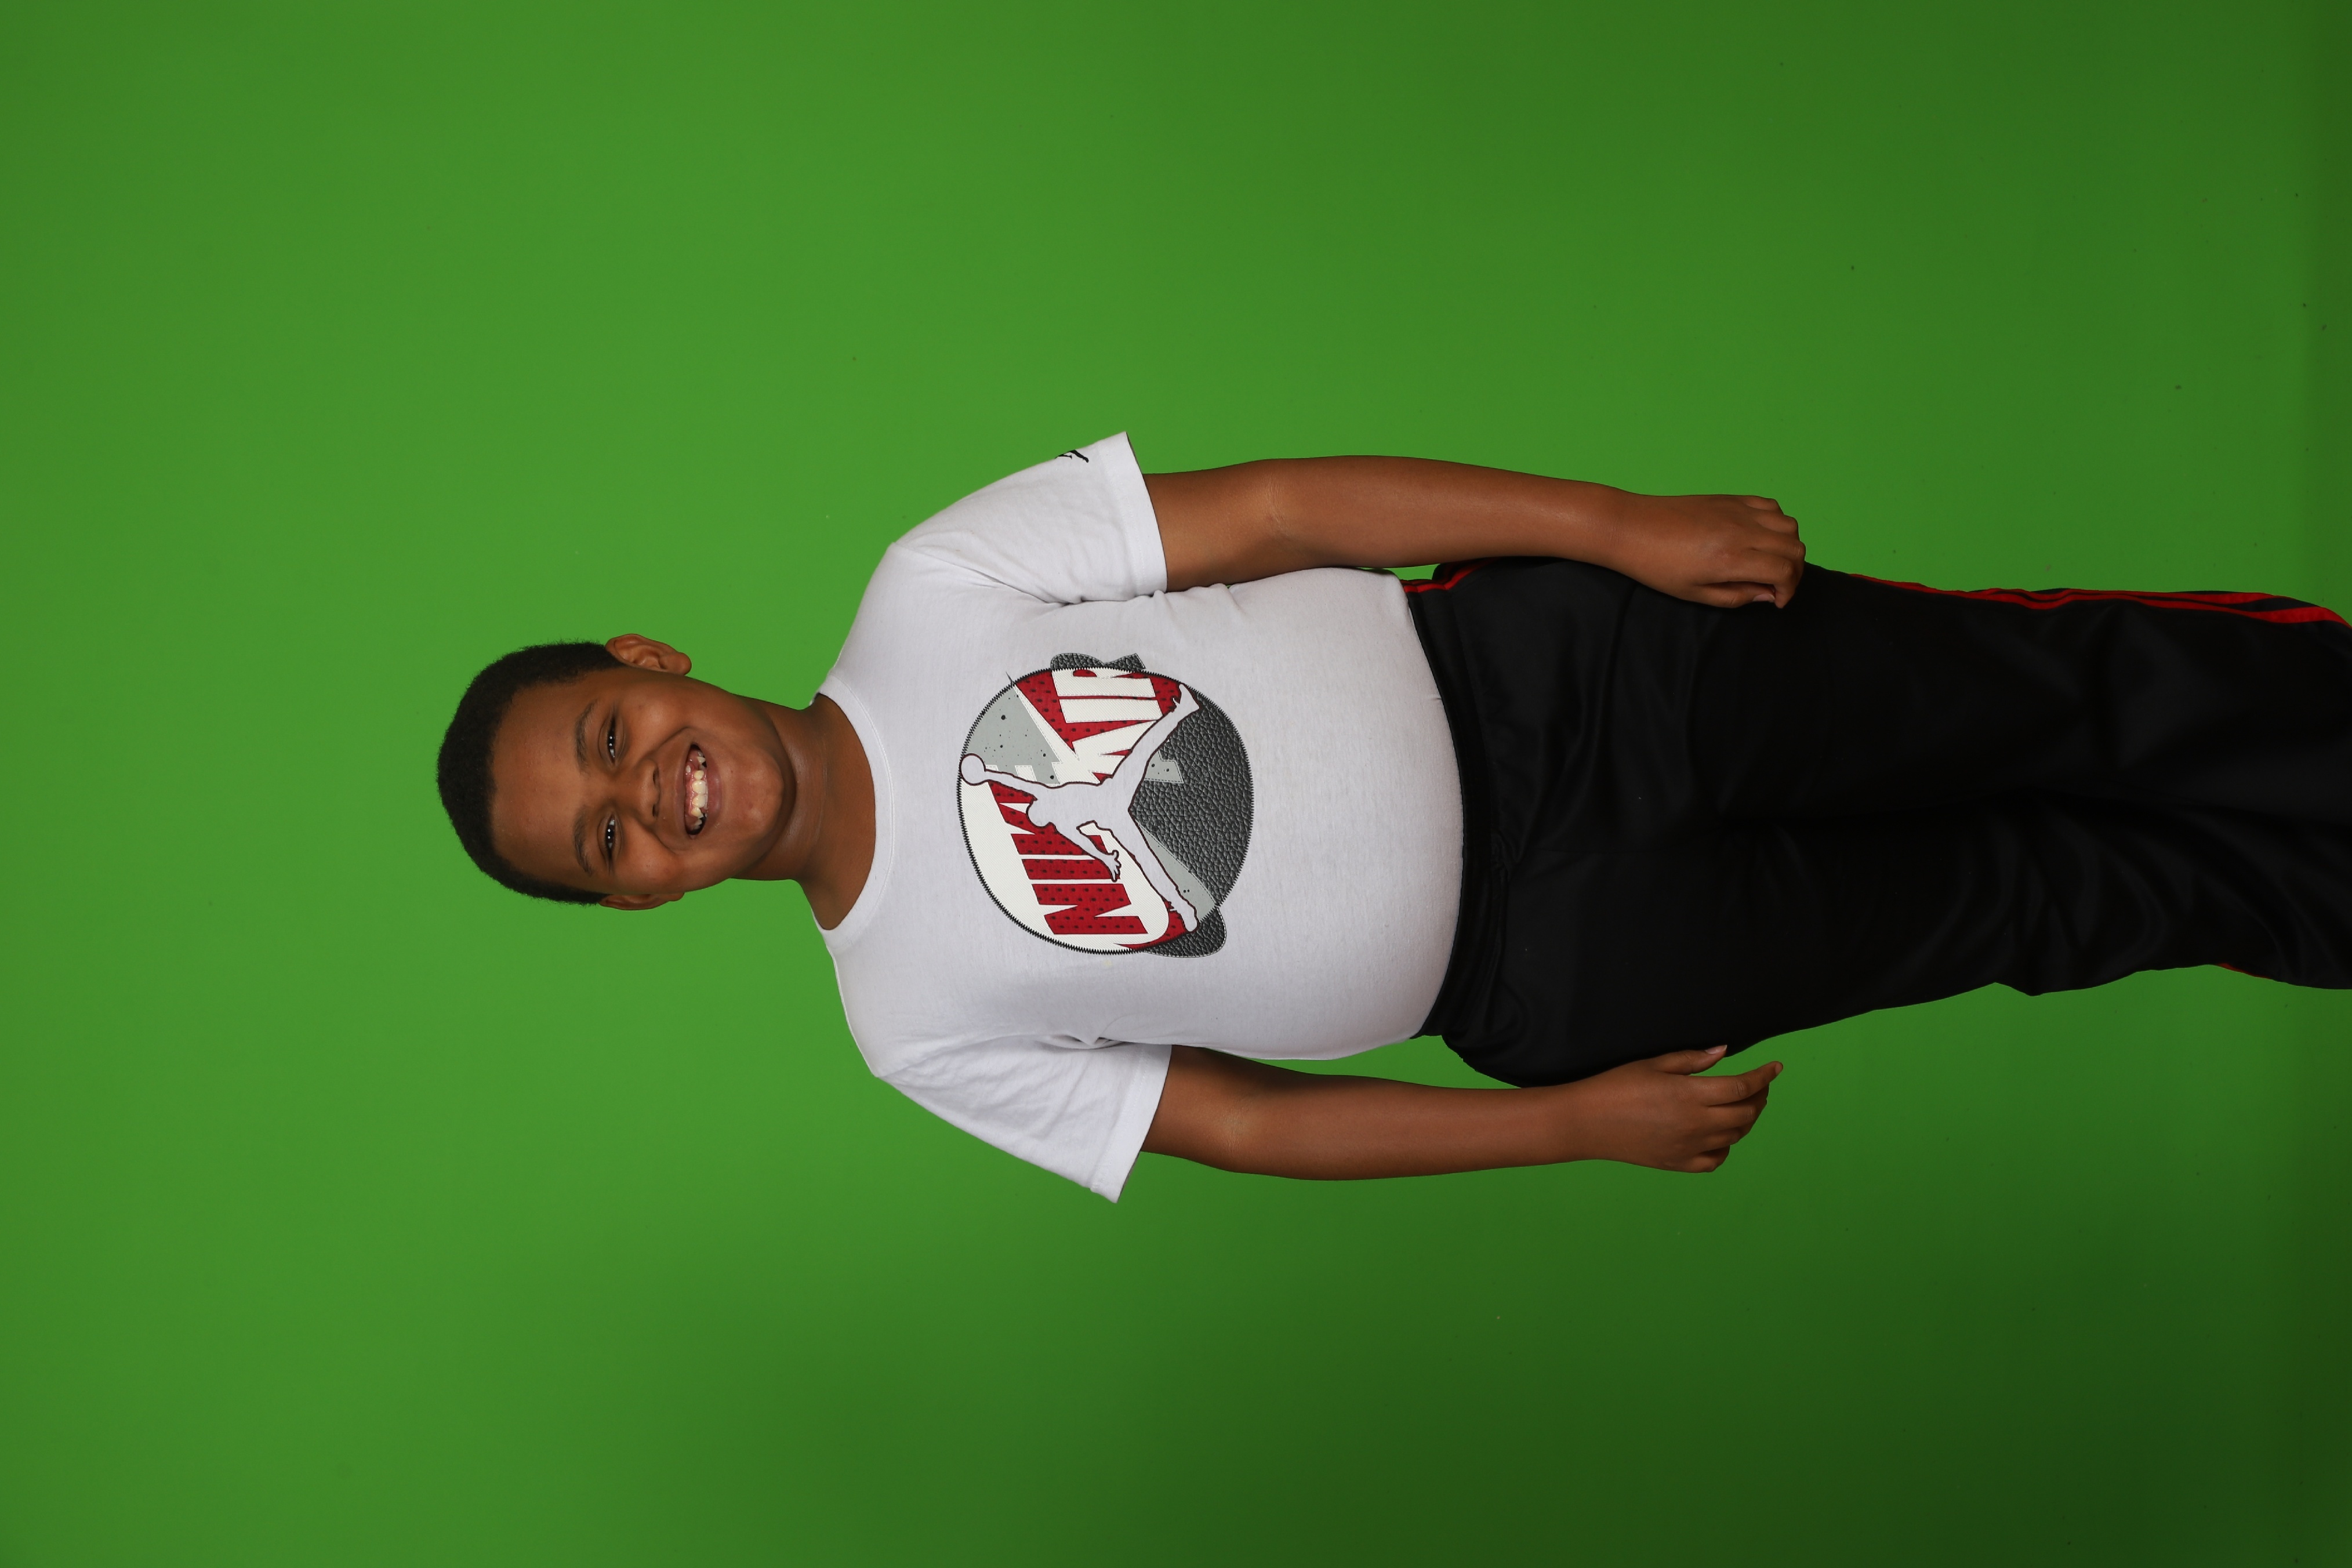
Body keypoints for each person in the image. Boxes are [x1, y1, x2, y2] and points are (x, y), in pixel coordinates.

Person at [435, 435, 2352, 1200]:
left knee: (2032, 693)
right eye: (607, 840)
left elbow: (1281, 511)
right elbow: (1246, 1123)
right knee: (2022, 904)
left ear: (649, 660)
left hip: (1566, 682)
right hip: (1553, 968)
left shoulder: (930, 581)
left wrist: (1610, 527)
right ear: (640, 902)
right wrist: (1564, 1126)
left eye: (611, 735)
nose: (647, 794)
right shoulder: (907, 1025)